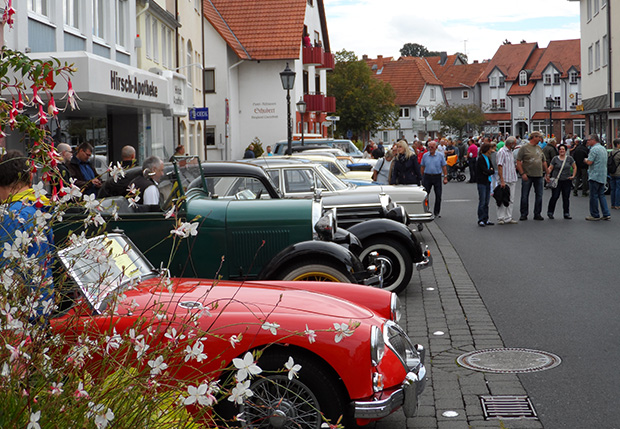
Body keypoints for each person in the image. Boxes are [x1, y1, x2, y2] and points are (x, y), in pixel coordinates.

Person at [0, 151, 54, 318]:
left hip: (18, 313)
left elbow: (6, 271)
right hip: (41, 303)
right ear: (30, 180)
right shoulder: (39, 209)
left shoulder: (9, 216)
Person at [516, 131, 547, 221]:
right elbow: (518, 161)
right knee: (525, 195)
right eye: (539, 138)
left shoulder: (539, 148)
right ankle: (524, 213)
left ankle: (537, 213)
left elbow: (543, 161)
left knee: (539, 195)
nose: (540, 139)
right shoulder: (524, 148)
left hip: (538, 175)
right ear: (534, 137)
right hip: (527, 175)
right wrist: (522, 173)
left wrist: (547, 172)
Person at [546, 144, 576, 219]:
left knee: (566, 197)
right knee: (555, 196)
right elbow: (550, 167)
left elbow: (574, 167)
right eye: (560, 149)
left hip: (567, 180)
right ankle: (550, 212)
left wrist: (573, 176)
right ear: (558, 151)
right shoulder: (555, 159)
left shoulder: (569, 159)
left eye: (563, 149)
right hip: (557, 180)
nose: (562, 151)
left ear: (566, 151)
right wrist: (547, 174)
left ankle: (566, 213)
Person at [584, 134, 610, 221]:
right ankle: (606, 213)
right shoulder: (603, 149)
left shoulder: (594, 149)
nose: (587, 141)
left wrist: (585, 160)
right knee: (601, 195)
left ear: (593, 140)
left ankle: (595, 214)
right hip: (602, 175)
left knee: (593, 195)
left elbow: (590, 162)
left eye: (588, 140)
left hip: (594, 175)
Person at [420, 141, 448, 218]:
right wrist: (421, 177)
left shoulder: (440, 155)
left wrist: (445, 177)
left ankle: (436, 212)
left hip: (437, 177)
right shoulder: (425, 155)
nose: (430, 148)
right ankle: (425, 210)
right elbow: (422, 167)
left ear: (436, 147)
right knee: (425, 195)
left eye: (432, 147)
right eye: (429, 147)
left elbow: (444, 166)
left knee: (438, 195)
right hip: (427, 177)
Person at [496, 136, 519, 224]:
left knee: (511, 199)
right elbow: (500, 166)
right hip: (505, 179)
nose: (515, 145)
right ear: (511, 144)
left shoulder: (511, 152)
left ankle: (508, 217)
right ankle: (501, 217)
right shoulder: (502, 152)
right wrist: (501, 180)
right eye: (515, 143)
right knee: (502, 198)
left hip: (512, 178)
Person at [476, 142, 495, 226]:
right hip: (482, 181)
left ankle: (486, 218)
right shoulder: (480, 159)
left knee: (487, 201)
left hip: (488, 181)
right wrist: (489, 171)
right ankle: (481, 219)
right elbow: (484, 170)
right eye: (490, 149)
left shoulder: (488, 158)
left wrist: (489, 171)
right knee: (482, 201)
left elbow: (492, 170)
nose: (491, 150)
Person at [610, 139, 620, 209]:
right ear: (618, 144)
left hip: (612, 172)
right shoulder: (619, 153)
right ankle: (617, 204)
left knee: (613, 189)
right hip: (618, 173)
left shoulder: (611, 152)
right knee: (618, 189)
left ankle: (613, 204)